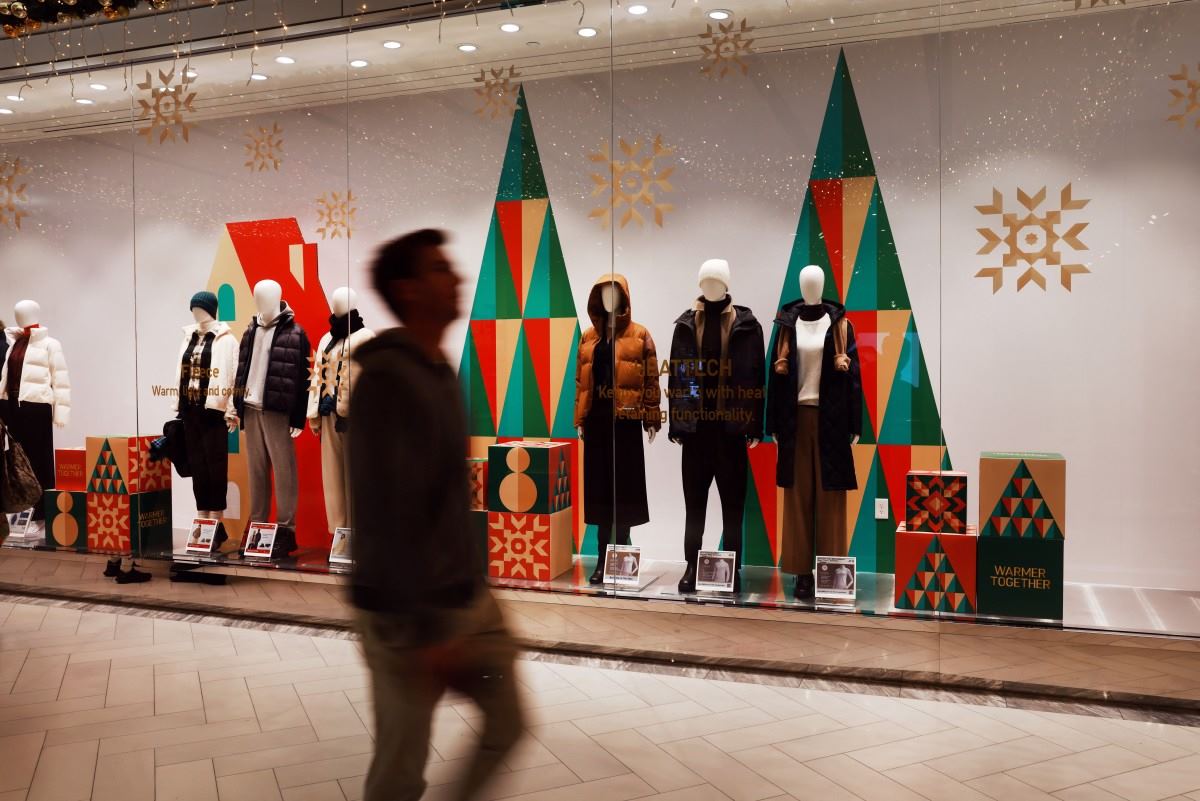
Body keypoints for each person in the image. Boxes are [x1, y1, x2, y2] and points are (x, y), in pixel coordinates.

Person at [350, 229, 524, 801]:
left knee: (507, 720)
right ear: (408, 289)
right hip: (405, 617)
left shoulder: (439, 369)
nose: (456, 278)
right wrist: (425, 632)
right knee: (400, 770)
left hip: (465, 602)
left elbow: (445, 498)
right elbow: (390, 514)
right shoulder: (386, 382)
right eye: (438, 269)